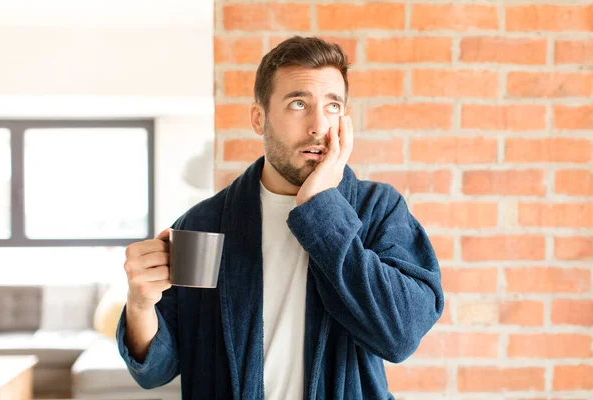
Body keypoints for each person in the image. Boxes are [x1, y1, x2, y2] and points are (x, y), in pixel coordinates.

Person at [117, 36, 444, 400]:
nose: (319, 125)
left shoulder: (378, 209)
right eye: (299, 103)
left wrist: (321, 208)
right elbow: (158, 369)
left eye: (332, 106)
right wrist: (140, 305)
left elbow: (399, 336)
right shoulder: (204, 224)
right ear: (260, 118)